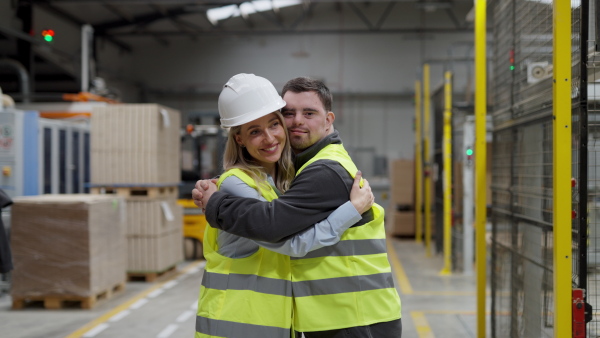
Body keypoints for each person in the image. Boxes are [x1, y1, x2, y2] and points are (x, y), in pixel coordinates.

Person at [193, 77, 402, 338]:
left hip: (353, 317)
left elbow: (275, 227)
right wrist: (215, 202)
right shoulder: (243, 183)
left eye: (309, 113)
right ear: (239, 139)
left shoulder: (323, 170)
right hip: (246, 323)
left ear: (329, 120)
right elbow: (279, 232)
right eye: (289, 113)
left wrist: (216, 204)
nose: (296, 121)